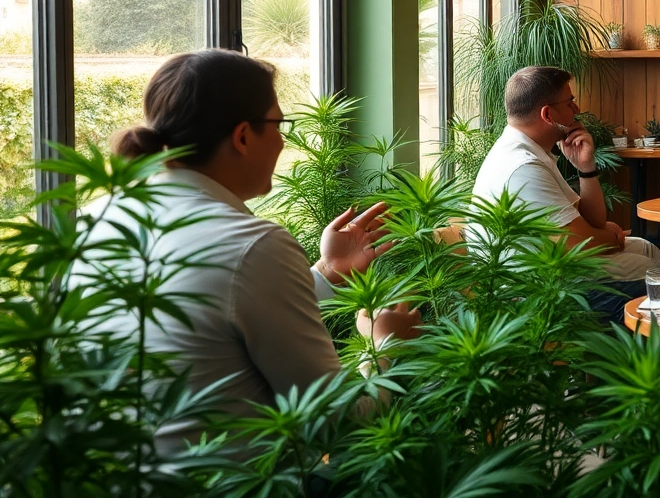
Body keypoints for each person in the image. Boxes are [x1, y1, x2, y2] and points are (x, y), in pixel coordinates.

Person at [89, 49, 417, 454]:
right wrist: (384, 348)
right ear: (243, 136)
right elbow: (338, 423)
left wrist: (326, 272)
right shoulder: (253, 245)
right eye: (278, 124)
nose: (283, 140)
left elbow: (217, 318)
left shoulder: (91, 223)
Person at [473, 65, 660, 325]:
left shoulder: (531, 152)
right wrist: (611, 236)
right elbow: (582, 245)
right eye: (569, 102)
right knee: (652, 273)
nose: (577, 109)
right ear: (548, 114)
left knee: (646, 248)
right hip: (532, 291)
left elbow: (593, 221)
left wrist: (585, 167)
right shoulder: (523, 166)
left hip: (552, 267)